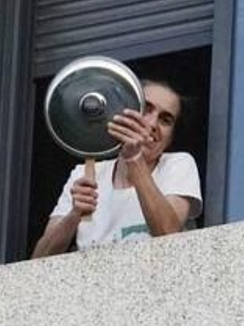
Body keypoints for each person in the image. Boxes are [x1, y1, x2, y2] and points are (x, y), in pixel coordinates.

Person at [32, 80, 203, 258]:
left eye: (165, 120)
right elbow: (38, 261)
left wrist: (134, 159)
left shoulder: (178, 164)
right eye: (146, 109)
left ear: (171, 137)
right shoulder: (87, 174)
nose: (152, 124)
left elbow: (169, 236)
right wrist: (74, 215)